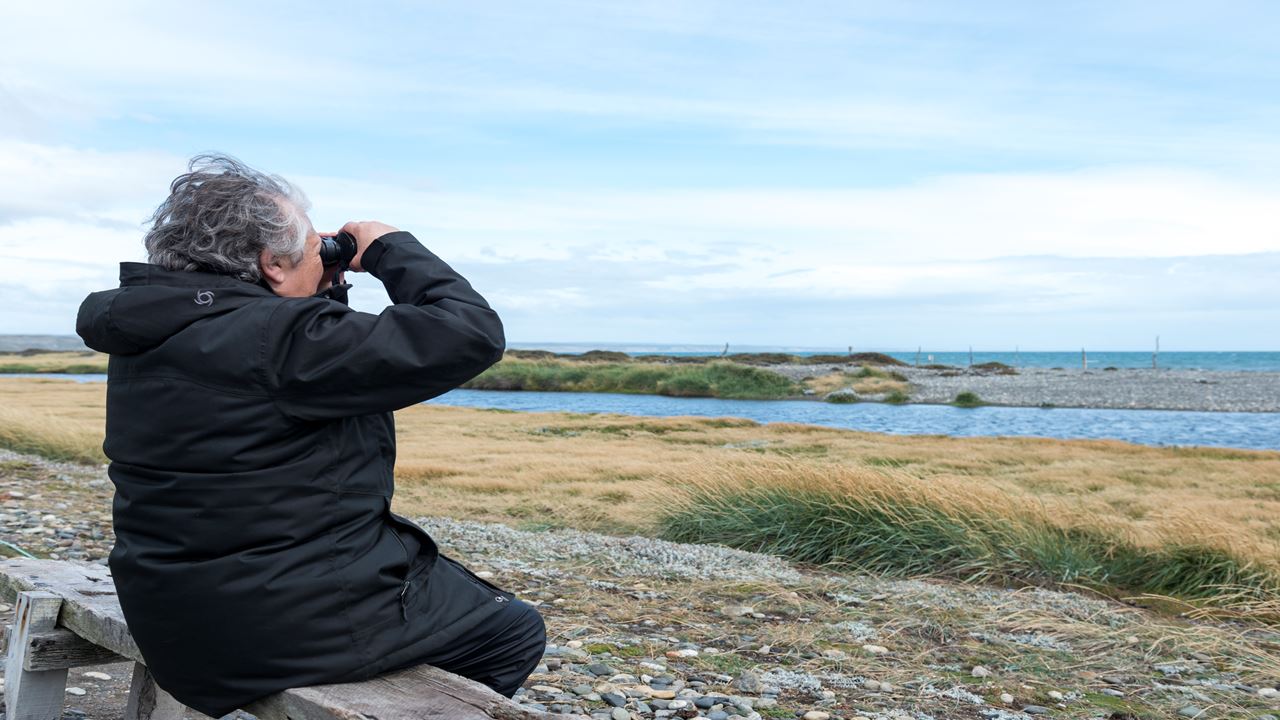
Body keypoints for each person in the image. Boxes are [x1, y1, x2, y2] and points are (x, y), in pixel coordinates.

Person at [75, 154, 546, 717]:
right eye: (306, 248)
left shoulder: (155, 330)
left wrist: (323, 291)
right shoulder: (278, 340)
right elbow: (468, 333)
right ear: (272, 263)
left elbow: (304, 380)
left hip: (174, 617)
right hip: (273, 630)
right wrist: (391, 247)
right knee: (511, 629)